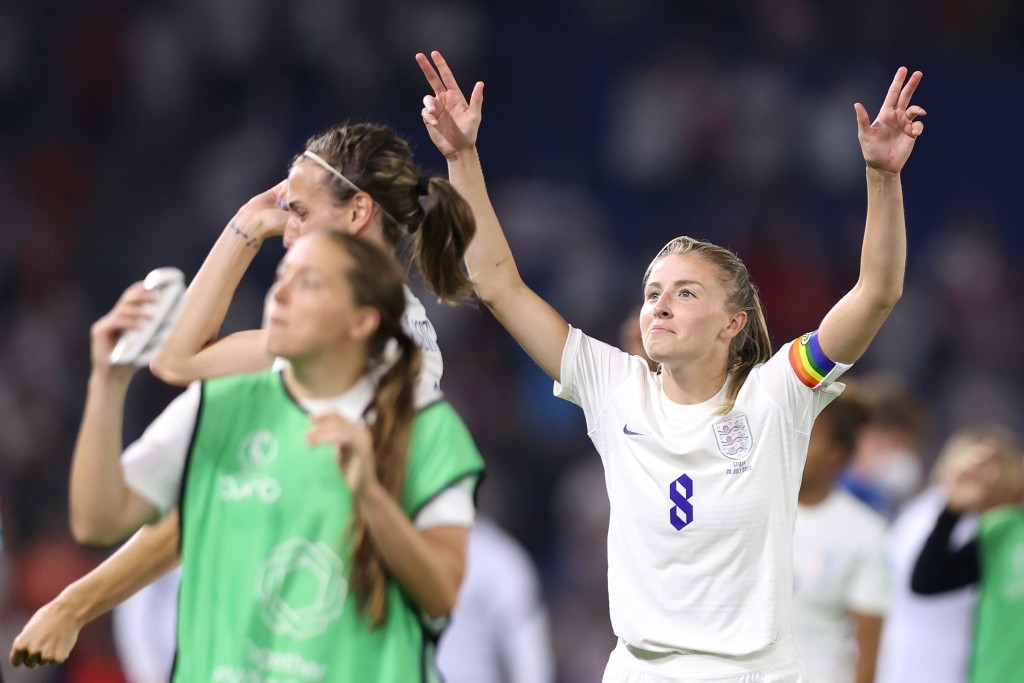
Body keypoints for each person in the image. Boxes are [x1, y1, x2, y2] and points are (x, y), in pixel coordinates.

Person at [417, 50, 924, 682]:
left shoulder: (777, 393)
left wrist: (882, 176)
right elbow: (498, 284)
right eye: (653, 291)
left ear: (733, 322)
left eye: (686, 293)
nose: (660, 305)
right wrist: (462, 158)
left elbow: (876, 292)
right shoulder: (613, 386)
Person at [8, 120, 479, 675]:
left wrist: (75, 604)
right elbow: (176, 361)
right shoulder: (363, 331)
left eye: (299, 212)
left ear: (358, 213)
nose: (287, 231)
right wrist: (246, 225)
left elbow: (202, 510)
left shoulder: (368, 351)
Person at [875, 427, 1021, 683]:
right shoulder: (996, 530)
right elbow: (924, 582)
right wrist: (952, 510)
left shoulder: (996, 525)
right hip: (928, 669)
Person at [791, 384, 889, 683]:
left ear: (837, 454)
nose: (793, 443)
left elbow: (868, 647)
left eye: (808, 437)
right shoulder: (751, 509)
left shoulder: (865, 533)